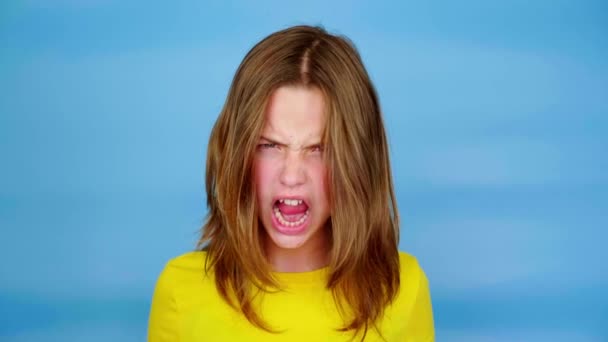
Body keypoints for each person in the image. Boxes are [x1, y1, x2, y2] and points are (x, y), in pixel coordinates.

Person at [147, 25, 434, 341]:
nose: (292, 175)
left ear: (357, 162)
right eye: (269, 145)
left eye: (319, 149)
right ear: (238, 152)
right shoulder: (181, 292)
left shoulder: (401, 289)